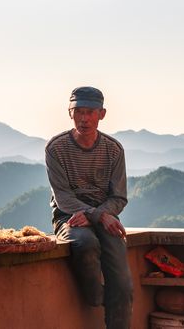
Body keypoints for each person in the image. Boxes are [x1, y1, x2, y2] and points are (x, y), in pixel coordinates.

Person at [45, 86, 133, 329]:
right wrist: (97, 215)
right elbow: (63, 197)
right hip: (69, 218)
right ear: (70, 113)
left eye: (90, 112)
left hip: (104, 217)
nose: (84, 118)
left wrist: (98, 215)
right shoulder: (56, 148)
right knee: (85, 242)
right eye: (78, 112)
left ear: (101, 114)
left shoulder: (113, 150)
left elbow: (119, 198)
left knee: (123, 285)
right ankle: (96, 297)